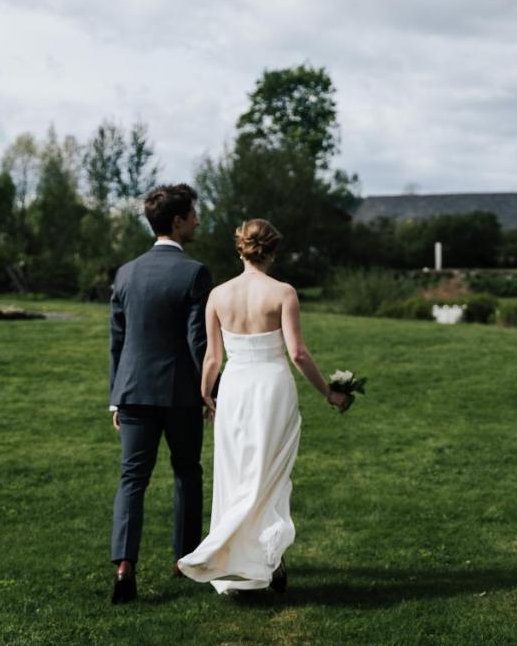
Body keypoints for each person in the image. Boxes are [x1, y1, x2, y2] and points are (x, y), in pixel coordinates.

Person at [178, 219, 352, 594]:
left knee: (239, 472)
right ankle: (266, 557)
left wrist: (207, 394)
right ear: (272, 250)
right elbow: (298, 354)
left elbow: (211, 358)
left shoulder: (218, 295)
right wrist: (328, 392)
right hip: (272, 388)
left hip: (236, 389)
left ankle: (259, 557)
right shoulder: (283, 292)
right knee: (271, 475)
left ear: (240, 248)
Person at [108, 184, 213, 604]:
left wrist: (116, 397)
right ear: (177, 221)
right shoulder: (195, 273)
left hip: (132, 392)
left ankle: (123, 566)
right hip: (181, 394)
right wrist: (210, 392)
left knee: (132, 479)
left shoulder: (125, 272)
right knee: (187, 472)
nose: (198, 220)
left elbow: (117, 340)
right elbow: (197, 342)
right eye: (193, 214)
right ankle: (184, 559)